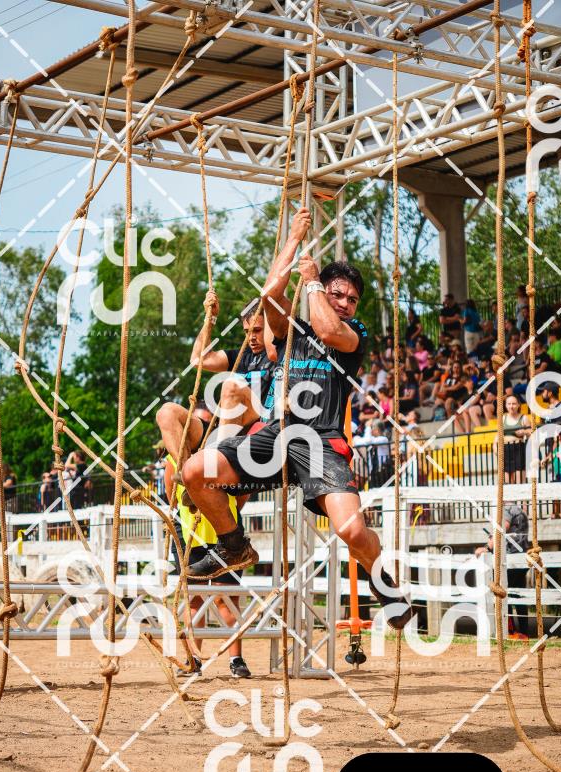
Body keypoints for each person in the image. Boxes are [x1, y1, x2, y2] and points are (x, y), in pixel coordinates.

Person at [181, 207, 412, 629]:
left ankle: (383, 581)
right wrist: (292, 238)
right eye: (338, 295)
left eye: (351, 299)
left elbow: (328, 331)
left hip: (322, 441)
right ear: (322, 291)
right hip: (279, 432)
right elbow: (269, 296)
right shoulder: (291, 330)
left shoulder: (354, 334)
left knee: (352, 532)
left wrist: (313, 282)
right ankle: (233, 544)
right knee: (195, 471)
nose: (345, 304)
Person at [165, 403, 251, 679]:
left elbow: (241, 495)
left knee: (227, 599)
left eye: (207, 425)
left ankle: (236, 659)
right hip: (189, 535)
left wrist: (221, 516)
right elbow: (172, 497)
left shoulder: (224, 460)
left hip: (224, 536)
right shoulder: (173, 461)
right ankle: (193, 659)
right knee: (193, 600)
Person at [156, 295, 274, 486]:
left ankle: (216, 465)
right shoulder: (241, 356)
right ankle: (188, 478)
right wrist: (210, 319)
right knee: (166, 412)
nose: (251, 338)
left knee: (232, 385)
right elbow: (198, 359)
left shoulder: (280, 353)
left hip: (257, 424)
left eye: (257, 330)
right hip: (222, 430)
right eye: (247, 332)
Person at [476, 504, 530, 637]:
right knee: (519, 596)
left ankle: (509, 631)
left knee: (504, 594)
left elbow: (501, 529)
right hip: (521, 559)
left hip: (510, 560)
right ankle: (524, 632)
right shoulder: (520, 511)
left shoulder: (506, 510)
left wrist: (487, 547)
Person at [494, 395, 531, 484]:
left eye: (514, 404)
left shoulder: (524, 418)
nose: (511, 406)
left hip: (518, 449)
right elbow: (497, 435)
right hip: (505, 450)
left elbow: (532, 432)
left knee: (519, 480)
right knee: (507, 482)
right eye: (509, 404)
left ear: (518, 405)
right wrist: (495, 447)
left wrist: (524, 432)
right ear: (506, 405)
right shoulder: (503, 418)